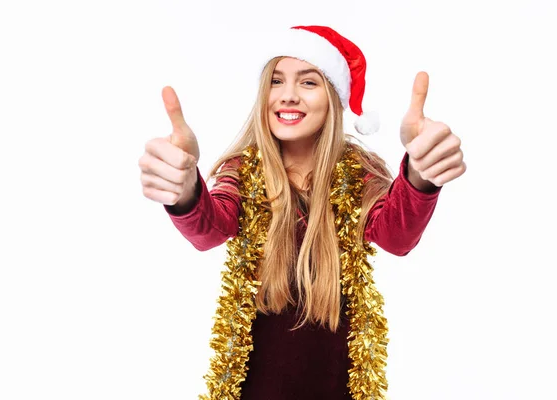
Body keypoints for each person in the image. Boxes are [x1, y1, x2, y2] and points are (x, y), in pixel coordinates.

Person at [139, 25, 465, 400]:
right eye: (276, 81)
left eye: (308, 83)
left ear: (332, 98)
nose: (288, 96)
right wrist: (184, 191)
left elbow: (396, 235)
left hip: (337, 388)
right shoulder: (243, 171)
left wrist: (420, 174)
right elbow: (210, 227)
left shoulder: (356, 171)